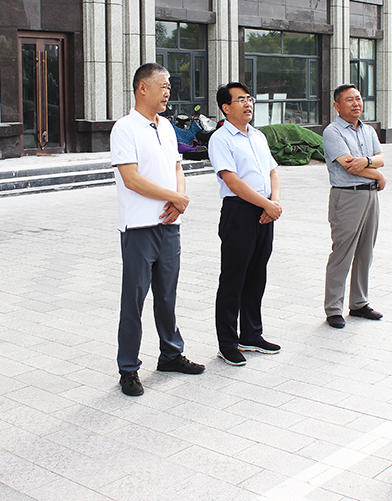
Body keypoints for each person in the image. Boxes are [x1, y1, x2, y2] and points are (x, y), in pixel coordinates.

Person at [110, 63, 205, 395]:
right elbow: (131, 179)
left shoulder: (165, 126)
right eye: (162, 86)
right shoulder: (124, 128)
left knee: (167, 296)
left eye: (169, 87)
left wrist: (179, 200)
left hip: (169, 226)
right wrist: (175, 197)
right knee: (133, 300)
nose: (168, 92)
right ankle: (128, 368)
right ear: (142, 88)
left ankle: (171, 354)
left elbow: (177, 166)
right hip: (139, 228)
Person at [208, 82, 282, 366]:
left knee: (256, 275)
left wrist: (274, 203)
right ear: (226, 108)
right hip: (239, 212)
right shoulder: (221, 139)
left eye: (249, 98)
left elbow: (273, 171)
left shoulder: (258, 136)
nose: (248, 103)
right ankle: (227, 343)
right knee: (233, 278)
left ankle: (251, 334)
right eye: (240, 100)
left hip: (265, 211)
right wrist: (267, 204)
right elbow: (232, 181)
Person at [322, 84, 387, 329]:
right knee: (342, 252)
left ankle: (359, 303)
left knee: (365, 251)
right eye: (349, 99)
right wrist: (377, 174)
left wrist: (368, 162)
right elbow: (349, 165)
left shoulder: (368, 130)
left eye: (358, 98)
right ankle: (333, 308)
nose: (356, 103)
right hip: (347, 196)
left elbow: (380, 158)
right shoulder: (333, 132)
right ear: (337, 106)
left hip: (370, 196)